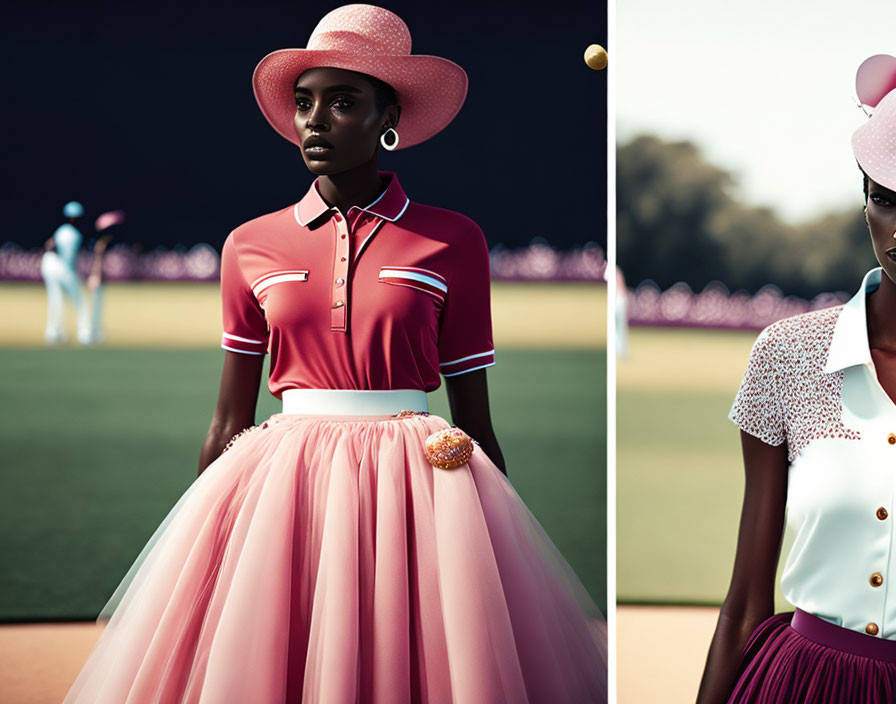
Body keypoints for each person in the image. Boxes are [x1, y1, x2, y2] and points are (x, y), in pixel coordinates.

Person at [62, 5, 607, 703]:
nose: (314, 121)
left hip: (418, 474)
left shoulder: (454, 240)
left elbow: (475, 417)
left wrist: (497, 553)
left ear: (390, 119)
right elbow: (229, 417)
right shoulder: (249, 244)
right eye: (304, 103)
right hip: (282, 477)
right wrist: (202, 544)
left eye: (343, 102)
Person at [697, 53, 896, 703]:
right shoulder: (787, 355)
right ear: (863, 201)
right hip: (806, 684)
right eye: (886, 201)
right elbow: (746, 600)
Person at [40, 200, 91, 344]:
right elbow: (68, 259)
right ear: (74, 218)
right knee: (81, 300)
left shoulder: (60, 230)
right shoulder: (73, 234)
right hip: (61, 266)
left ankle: (53, 333)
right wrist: (77, 276)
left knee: (55, 299)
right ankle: (85, 334)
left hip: (49, 264)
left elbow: (48, 245)